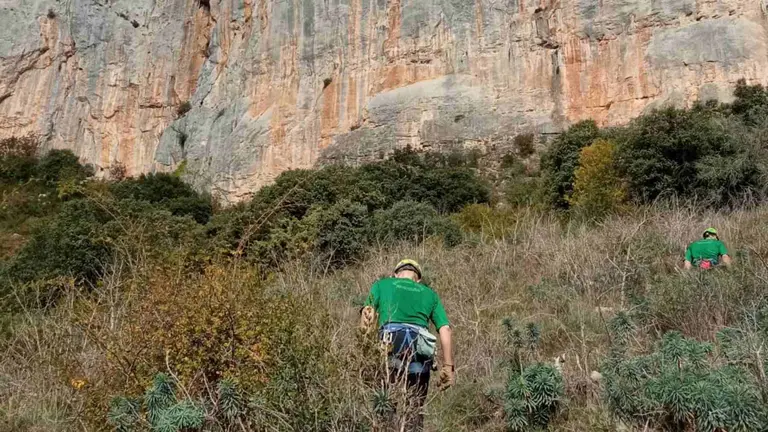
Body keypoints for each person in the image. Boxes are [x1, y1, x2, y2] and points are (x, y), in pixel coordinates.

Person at [360, 259, 454, 430]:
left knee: (386, 403)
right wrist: (448, 366)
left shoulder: (382, 284)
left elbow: (368, 315)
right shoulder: (430, 293)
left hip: (390, 342)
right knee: (415, 408)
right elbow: (445, 329)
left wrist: (365, 355)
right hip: (419, 348)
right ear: (417, 279)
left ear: (396, 274)